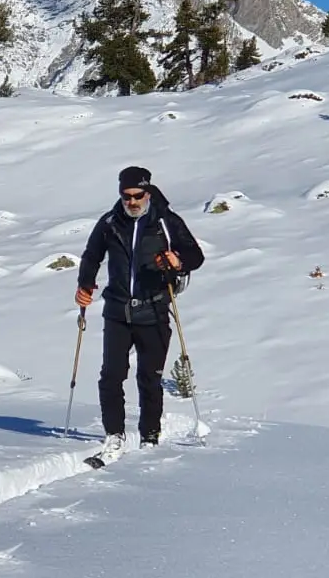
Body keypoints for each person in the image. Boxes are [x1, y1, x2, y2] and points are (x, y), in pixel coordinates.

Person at [74, 166, 204, 457]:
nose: (132, 202)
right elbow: (92, 255)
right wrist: (84, 283)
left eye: (138, 195)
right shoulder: (110, 222)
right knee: (111, 375)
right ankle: (114, 435)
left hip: (154, 309)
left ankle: (149, 436)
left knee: (149, 378)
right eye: (126, 196)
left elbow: (196, 255)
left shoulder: (166, 222)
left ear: (147, 192)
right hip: (117, 310)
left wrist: (178, 260)